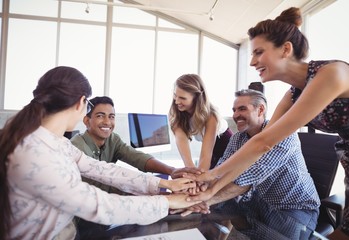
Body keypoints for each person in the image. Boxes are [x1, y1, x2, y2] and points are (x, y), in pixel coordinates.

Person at [188, 7, 349, 240]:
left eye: (259, 52)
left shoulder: (331, 74)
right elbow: (259, 142)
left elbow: (265, 142)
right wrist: (211, 186)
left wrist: (211, 178)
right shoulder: (293, 94)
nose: (252, 62)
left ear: (285, 49)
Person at [0, 66, 200, 240]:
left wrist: (165, 184)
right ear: (81, 103)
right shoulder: (37, 155)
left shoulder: (56, 142)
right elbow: (100, 205)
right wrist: (169, 200)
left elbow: (103, 170)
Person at [177, 89, 320, 239]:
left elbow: (247, 179)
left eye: (242, 109)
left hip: (294, 208)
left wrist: (199, 200)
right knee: (213, 213)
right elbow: (222, 170)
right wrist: (200, 188)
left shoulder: (283, 135)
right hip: (260, 201)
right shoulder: (238, 138)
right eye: (234, 110)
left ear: (261, 110)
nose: (236, 114)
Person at [71, 96, 201, 194]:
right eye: (100, 116)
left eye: (111, 117)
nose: (107, 122)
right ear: (86, 121)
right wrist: (163, 195)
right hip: (83, 218)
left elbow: (137, 158)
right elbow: (107, 187)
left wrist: (172, 171)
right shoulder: (77, 148)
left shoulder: (112, 139)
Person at [169, 74, 233, 170]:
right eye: (175, 95)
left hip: (230, 152)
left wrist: (199, 176)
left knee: (210, 182)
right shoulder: (177, 116)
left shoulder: (211, 116)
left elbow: (205, 158)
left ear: (196, 98)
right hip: (213, 154)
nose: (177, 101)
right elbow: (187, 160)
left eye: (182, 98)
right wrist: (191, 172)